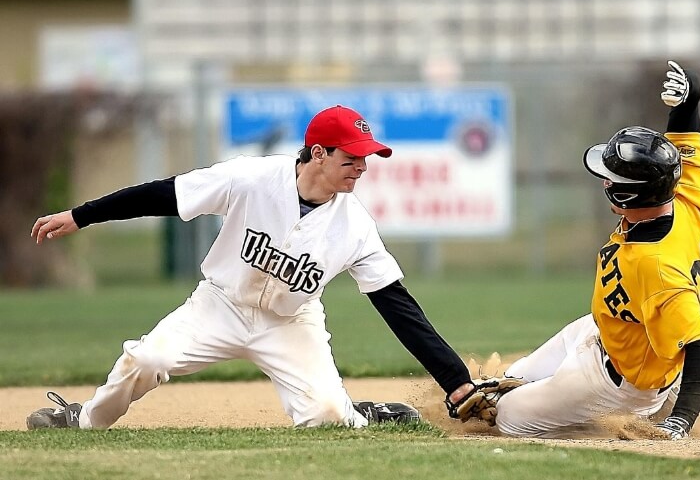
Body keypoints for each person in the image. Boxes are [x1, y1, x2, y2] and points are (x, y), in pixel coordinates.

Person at [26, 105, 476, 430]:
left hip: (290, 323)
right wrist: (82, 216)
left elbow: (398, 306)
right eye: (352, 157)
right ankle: (82, 419)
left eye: (365, 158)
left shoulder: (355, 226)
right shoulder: (252, 179)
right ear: (319, 153)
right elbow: (165, 194)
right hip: (220, 305)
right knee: (147, 359)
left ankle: (358, 414)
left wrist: (455, 380)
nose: (362, 167)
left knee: (326, 417)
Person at [492, 61, 700, 439]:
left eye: (611, 179)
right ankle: (644, 394)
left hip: (619, 383)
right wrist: (689, 98)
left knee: (505, 419)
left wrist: (681, 420)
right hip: (606, 329)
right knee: (508, 381)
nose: (605, 183)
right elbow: (685, 138)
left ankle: (615, 419)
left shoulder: (656, 266)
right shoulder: (684, 196)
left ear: (627, 195)